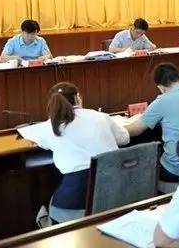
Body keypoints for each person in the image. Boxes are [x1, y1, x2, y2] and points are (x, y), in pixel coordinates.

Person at [36, 82, 129, 222]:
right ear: (78, 98)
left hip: (75, 198)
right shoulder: (100, 116)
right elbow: (125, 138)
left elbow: (43, 144)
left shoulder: (49, 126)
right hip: (114, 190)